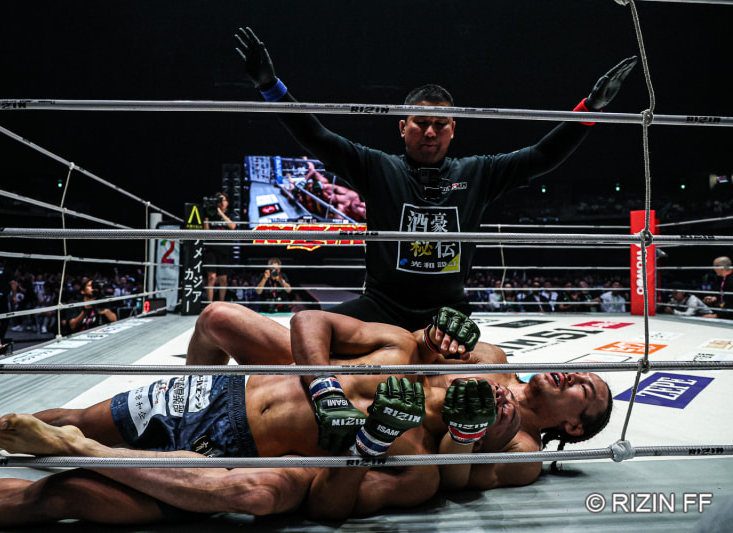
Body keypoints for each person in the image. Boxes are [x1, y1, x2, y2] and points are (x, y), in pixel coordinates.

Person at [0, 311, 511, 526]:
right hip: (218, 395)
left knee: (67, 495)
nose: (485, 392)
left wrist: (369, 444)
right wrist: (325, 386)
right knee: (76, 415)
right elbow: (309, 321)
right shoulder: (402, 348)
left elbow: (328, 507)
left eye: (491, 404)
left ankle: (78, 451)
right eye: (488, 382)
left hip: (229, 459)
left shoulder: (420, 466)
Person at [234, 26, 637, 331]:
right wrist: (271, 87)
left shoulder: (476, 172)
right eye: (421, 123)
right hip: (380, 306)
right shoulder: (378, 166)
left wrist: (590, 108)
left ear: (453, 129)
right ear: (402, 127)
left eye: (440, 124)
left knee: (475, 380)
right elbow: (317, 137)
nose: (430, 132)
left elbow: (542, 156)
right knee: (306, 327)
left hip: (448, 312)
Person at [188, 302, 613, 489]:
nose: (572, 375)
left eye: (584, 387)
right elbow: (410, 349)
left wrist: (468, 435)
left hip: (368, 428)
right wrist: (433, 337)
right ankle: (184, 402)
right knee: (217, 318)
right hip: (344, 374)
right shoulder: (492, 356)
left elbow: (455, 483)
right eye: (580, 371)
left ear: (573, 426)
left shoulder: (524, 451)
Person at [203, 191, 236, 304]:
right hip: (211, 249)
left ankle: (221, 304)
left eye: (224, 200)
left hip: (224, 249)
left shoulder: (230, 214)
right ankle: (209, 304)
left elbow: (233, 226)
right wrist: (206, 216)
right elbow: (206, 232)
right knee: (211, 277)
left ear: (227, 202)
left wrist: (221, 213)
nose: (222, 203)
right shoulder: (210, 213)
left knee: (223, 279)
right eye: (219, 200)